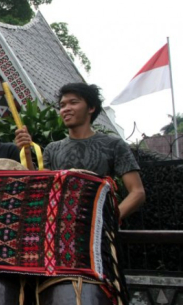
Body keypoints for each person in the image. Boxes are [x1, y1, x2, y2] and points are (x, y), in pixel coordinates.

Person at [43, 82, 145, 220]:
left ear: (91, 107)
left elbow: (137, 192)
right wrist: (25, 152)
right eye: (62, 105)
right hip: (58, 230)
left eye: (73, 102)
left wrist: (108, 221)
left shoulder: (113, 144)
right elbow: (43, 189)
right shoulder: (52, 149)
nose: (66, 109)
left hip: (98, 235)